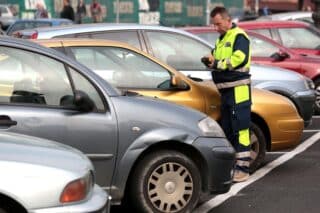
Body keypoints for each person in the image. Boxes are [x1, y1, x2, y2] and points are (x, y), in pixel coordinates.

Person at [201, 6, 252, 182]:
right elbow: (215, 58)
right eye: (213, 25)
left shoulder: (239, 36)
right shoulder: (221, 39)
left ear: (227, 20)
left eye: (218, 24)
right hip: (226, 91)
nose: (215, 28)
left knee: (241, 129)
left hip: (238, 89)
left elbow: (239, 59)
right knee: (229, 129)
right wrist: (209, 60)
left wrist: (217, 63)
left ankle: (243, 169)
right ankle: (233, 166)